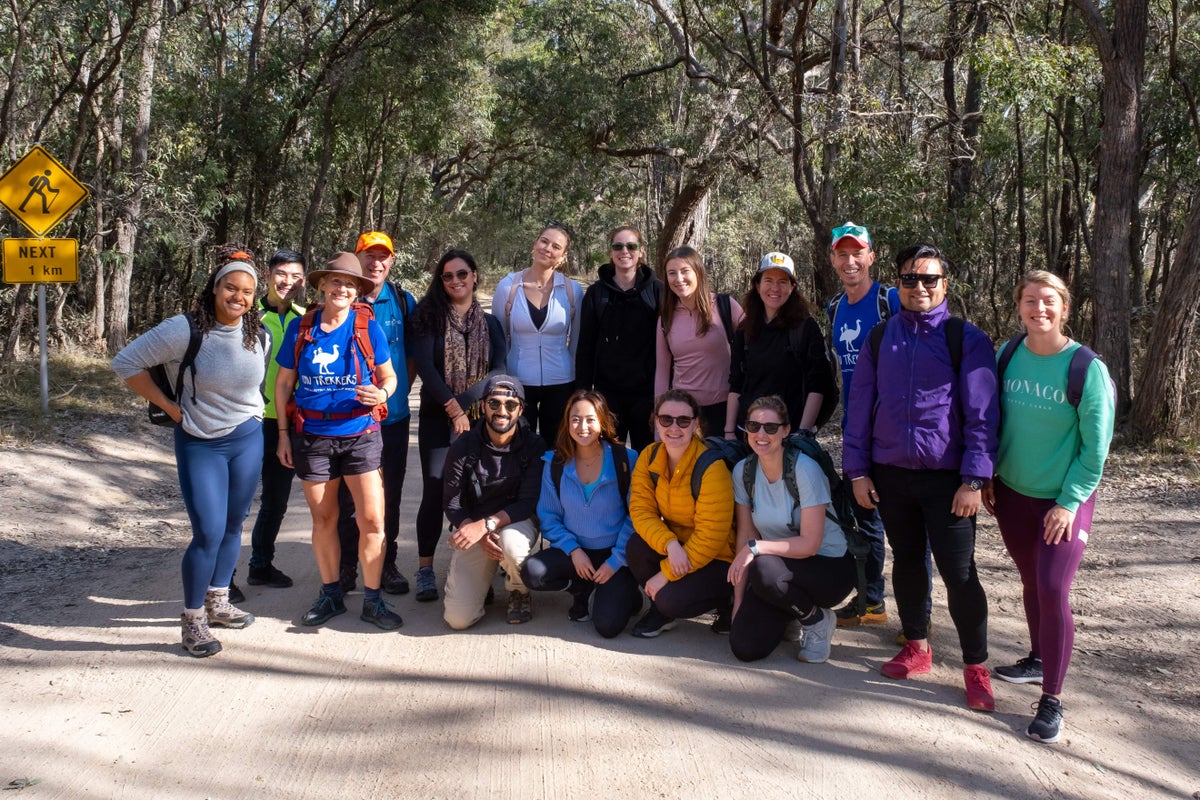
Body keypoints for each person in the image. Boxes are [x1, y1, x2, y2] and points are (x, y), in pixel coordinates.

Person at [843, 242, 1000, 711]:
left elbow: (983, 415)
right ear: (898, 284)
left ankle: (976, 667)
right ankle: (917, 647)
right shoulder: (880, 338)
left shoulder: (965, 338)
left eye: (930, 279)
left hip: (948, 480)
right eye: (910, 279)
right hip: (891, 474)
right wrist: (857, 471)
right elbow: (859, 408)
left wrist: (974, 479)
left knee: (960, 573)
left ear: (944, 285)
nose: (920, 288)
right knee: (908, 562)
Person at [111, 247, 266, 657]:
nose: (238, 297)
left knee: (233, 525)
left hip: (248, 438)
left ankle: (219, 601)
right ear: (215, 287)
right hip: (201, 442)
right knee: (208, 532)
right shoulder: (185, 329)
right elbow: (125, 362)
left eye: (247, 291)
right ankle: (193, 619)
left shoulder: (258, 333)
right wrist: (168, 406)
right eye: (230, 287)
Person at [983, 270, 1115, 743]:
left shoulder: (1085, 368)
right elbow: (991, 420)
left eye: (1048, 301)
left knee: (1053, 587)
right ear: (1019, 306)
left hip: (1063, 501)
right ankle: (1039, 659)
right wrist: (988, 474)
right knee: (1031, 581)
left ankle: (1052, 699)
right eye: (1030, 300)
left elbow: (1095, 450)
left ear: (1064, 308)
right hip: (1012, 493)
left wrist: (1069, 502)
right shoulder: (1008, 354)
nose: (1039, 309)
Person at [275, 253, 402, 631]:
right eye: (335, 281)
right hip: (313, 436)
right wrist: (283, 434)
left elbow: (390, 377)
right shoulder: (301, 328)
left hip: (361, 434)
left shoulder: (368, 328)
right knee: (325, 518)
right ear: (322, 285)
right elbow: (283, 384)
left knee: (373, 520)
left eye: (350, 284)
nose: (342, 289)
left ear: (358, 290)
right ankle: (331, 593)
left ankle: (373, 600)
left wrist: (382, 394)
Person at [824, 222, 929, 634]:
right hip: (857, 432)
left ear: (871, 256)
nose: (850, 261)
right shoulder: (835, 308)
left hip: (896, 432)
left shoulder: (891, 300)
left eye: (857, 253)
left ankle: (919, 618)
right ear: (833, 260)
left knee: (909, 529)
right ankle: (871, 601)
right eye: (842, 254)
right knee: (864, 519)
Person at [726, 396, 856, 663]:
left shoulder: (804, 469)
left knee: (763, 567)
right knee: (744, 646)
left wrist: (757, 548)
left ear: (785, 431)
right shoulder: (743, 471)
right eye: (753, 426)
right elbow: (746, 535)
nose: (761, 434)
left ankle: (816, 620)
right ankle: (793, 611)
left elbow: (809, 544)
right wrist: (738, 604)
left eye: (771, 427)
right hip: (780, 571)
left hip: (829, 568)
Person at [411, 249, 507, 603]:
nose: (456, 281)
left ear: (475, 276)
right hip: (437, 418)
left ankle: (479, 567)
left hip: (481, 419)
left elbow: (500, 370)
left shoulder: (491, 324)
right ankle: (424, 568)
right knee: (436, 489)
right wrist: (453, 410)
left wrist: (465, 405)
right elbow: (426, 368)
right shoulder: (428, 318)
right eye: (448, 276)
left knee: (478, 490)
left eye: (462, 274)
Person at [519, 390, 642, 638]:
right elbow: (549, 516)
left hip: (615, 553)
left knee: (607, 627)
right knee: (532, 572)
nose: (582, 427)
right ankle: (581, 590)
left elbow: (636, 517)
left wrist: (616, 561)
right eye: (575, 419)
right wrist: (574, 550)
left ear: (602, 422)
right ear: (567, 423)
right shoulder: (555, 463)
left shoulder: (626, 460)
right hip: (575, 552)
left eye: (590, 419)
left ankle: (626, 593)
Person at [335, 231, 417, 596]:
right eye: (369, 255)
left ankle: (387, 562)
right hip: (348, 422)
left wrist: (393, 393)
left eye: (383, 256)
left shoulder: (402, 301)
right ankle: (346, 566)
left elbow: (412, 356)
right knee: (347, 497)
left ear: (392, 261)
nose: (376, 262)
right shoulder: (342, 298)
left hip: (392, 419)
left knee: (390, 494)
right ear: (358, 259)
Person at [627, 389, 736, 638]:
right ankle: (661, 612)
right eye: (666, 419)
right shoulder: (649, 456)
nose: (674, 427)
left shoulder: (711, 467)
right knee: (636, 546)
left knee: (671, 600)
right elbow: (641, 511)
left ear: (696, 424)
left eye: (683, 420)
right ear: (656, 422)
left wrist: (664, 575)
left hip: (717, 558)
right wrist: (670, 544)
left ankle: (726, 599)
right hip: (678, 547)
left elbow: (710, 537)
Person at [442, 375, 547, 629]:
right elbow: (452, 502)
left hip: (516, 523)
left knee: (511, 545)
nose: (502, 411)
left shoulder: (533, 445)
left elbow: (528, 502)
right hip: (476, 526)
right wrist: (475, 531)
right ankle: (479, 582)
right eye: (494, 403)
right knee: (458, 619)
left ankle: (518, 589)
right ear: (483, 406)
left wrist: (487, 525)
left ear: (520, 409)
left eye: (511, 405)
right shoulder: (463, 445)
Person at [245, 249, 306, 591]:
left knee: (276, 500)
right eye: (282, 273)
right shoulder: (247, 314)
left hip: (285, 422)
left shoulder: (304, 319)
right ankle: (221, 579)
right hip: (247, 420)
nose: (288, 281)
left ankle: (261, 564)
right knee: (236, 503)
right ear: (267, 275)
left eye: (296, 276)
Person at [727, 252, 836, 437]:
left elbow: (818, 385)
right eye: (768, 280)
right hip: (750, 433)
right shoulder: (745, 330)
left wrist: (803, 433)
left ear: (792, 287)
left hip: (789, 433)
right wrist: (729, 432)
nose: (775, 288)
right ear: (757, 285)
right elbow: (736, 383)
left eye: (782, 282)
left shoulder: (805, 328)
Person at [492, 222, 584, 438]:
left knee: (558, 445)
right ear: (535, 244)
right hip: (517, 381)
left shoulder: (572, 290)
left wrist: (576, 380)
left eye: (556, 246)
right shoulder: (507, 287)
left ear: (563, 256)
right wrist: (501, 380)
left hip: (561, 381)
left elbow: (577, 341)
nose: (547, 248)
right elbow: (498, 339)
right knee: (519, 442)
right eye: (544, 241)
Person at [575, 225, 662, 450]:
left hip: (647, 393)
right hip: (607, 394)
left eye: (631, 246)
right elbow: (586, 346)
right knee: (609, 454)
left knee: (648, 454)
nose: (625, 251)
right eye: (618, 246)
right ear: (611, 252)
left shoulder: (657, 290)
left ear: (641, 251)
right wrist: (583, 393)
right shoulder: (596, 293)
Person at [653, 246, 743, 436]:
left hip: (724, 411)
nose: (679, 279)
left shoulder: (726, 306)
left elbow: (754, 345)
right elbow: (662, 373)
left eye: (685, 271)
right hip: (683, 413)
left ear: (698, 272)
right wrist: (659, 423)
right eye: (672, 273)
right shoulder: (666, 318)